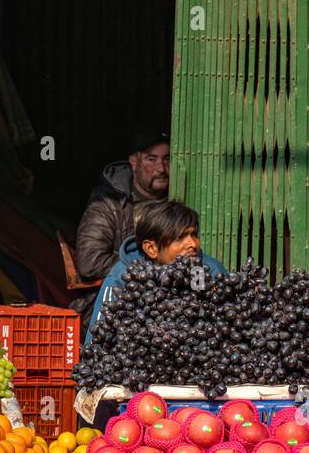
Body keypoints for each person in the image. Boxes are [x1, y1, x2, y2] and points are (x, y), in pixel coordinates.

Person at [85, 200, 225, 345]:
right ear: (151, 249)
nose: (192, 244)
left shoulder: (209, 270)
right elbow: (97, 339)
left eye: (194, 234)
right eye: (180, 237)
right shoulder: (122, 277)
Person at [75, 129, 170, 281]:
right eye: (151, 159)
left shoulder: (178, 200)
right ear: (134, 162)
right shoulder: (108, 202)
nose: (161, 168)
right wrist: (153, 268)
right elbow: (90, 262)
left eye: (167, 159)